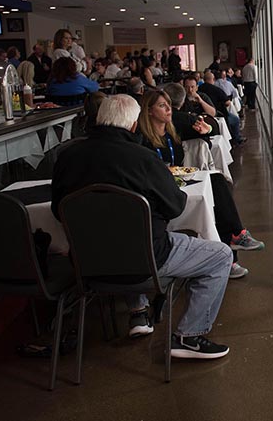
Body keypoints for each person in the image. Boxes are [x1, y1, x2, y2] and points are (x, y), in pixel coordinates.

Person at [51, 95, 232, 358]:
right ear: (135, 125)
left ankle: (138, 312)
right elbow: (176, 207)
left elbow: (58, 210)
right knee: (220, 256)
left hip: (85, 263)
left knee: (117, 236)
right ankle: (188, 336)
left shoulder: (67, 158)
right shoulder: (143, 159)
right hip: (146, 262)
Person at [140, 88, 264, 280]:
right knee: (212, 203)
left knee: (216, 180)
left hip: (178, 181)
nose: (168, 110)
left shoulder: (174, 128)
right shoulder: (142, 139)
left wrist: (206, 131)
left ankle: (236, 236)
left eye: (168, 105)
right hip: (161, 193)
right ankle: (230, 254)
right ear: (149, 111)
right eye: (162, 106)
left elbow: (210, 124)